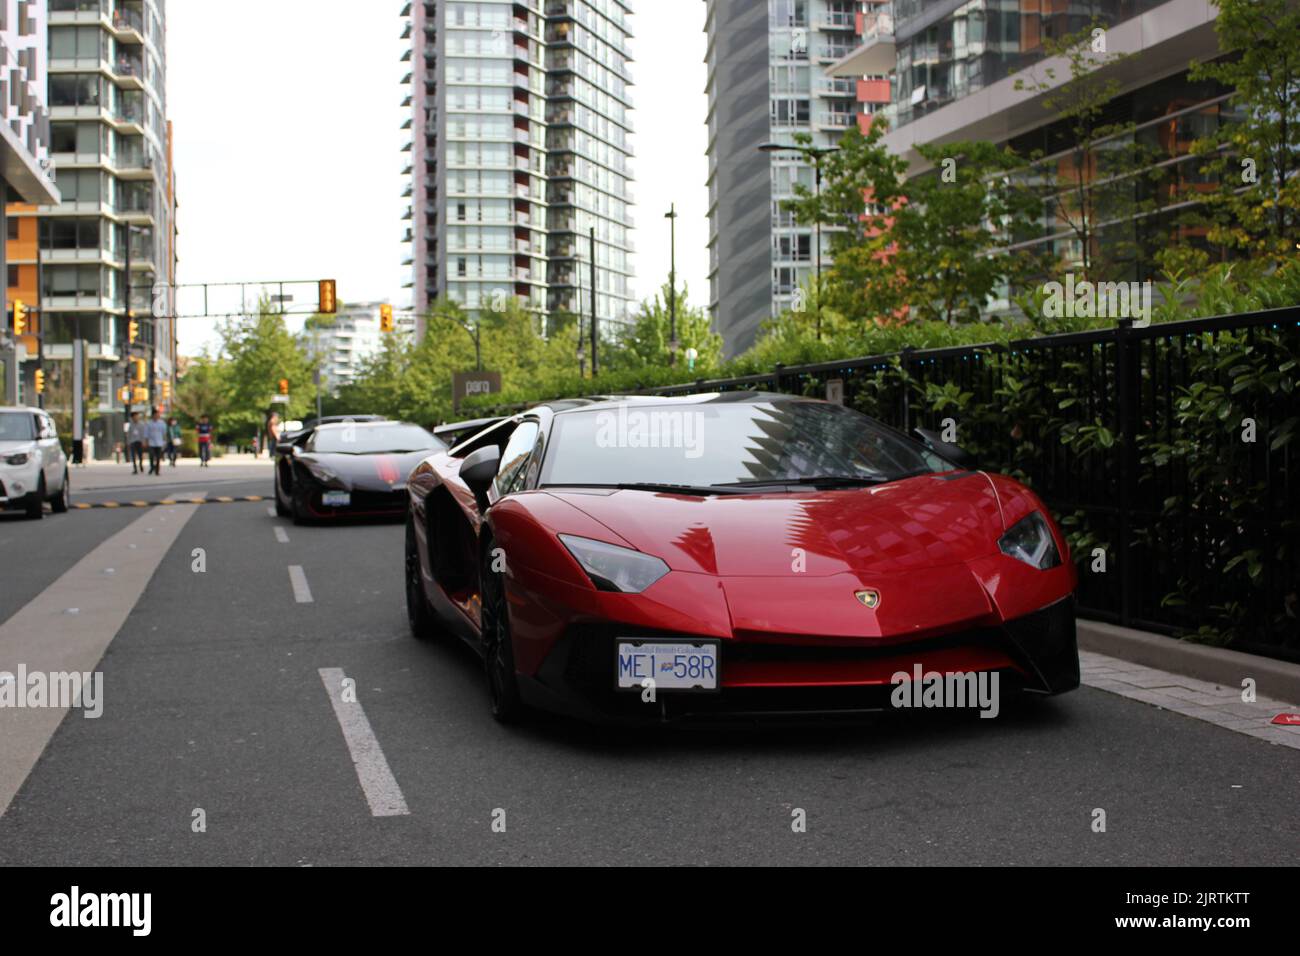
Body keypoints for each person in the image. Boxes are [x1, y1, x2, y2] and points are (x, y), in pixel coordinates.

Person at [145, 409, 168, 476]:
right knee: (151, 456)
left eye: (158, 414)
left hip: (159, 442)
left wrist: (164, 441)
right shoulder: (149, 423)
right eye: (155, 414)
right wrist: (146, 442)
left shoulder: (162, 423)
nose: (157, 416)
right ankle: (152, 467)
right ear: (153, 415)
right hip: (151, 443)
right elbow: (146, 433)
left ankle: (157, 470)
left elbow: (164, 433)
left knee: (158, 457)